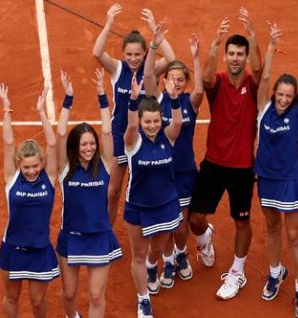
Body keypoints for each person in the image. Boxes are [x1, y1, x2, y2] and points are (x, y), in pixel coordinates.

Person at [188, 7, 262, 300]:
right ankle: (206, 238)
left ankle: (237, 271)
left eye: (239, 54)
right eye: (230, 53)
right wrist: (215, 45)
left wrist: (254, 38)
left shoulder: (253, 86)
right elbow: (205, 78)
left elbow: (259, 70)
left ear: (244, 57)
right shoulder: (217, 82)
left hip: (243, 167)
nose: (234, 58)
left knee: (242, 222)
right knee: (194, 220)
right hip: (214, 163)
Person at [255, 23, 298, 318]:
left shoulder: (297, 113)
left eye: (288, 95)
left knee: (294, 236)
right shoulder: (263, 108)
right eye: (280, 95)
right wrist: (270, 45)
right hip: (266, 179)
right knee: (271, 228)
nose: (283, 99)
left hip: (288, 182)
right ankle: (275, 271)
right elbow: (265, 76)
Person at [92, 4, 175, 226]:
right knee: (112, 192)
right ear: (123, 54)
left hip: (147, 137)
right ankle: (107, 233)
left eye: (138, 54)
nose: (134, 58)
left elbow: (171, 58)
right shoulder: (117, 69)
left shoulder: (151, 70)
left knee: (146, 186)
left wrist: (155, 33)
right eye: (129, 54)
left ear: (145, 53)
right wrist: (109, 24)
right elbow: (97, 53)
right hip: (122, 136)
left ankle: (149, 228)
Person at [123, 24, 183, 318]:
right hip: (138, 206)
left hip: (166, 204)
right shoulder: (132, 140)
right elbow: (132, 123)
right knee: (138, 253)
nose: (151, 125)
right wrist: (134, 101)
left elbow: (178, 122)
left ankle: (153, 266)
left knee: (157, 250)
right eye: (148, 122)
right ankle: (142, 298)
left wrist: (172, 99)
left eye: (154, 121)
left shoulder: (167, 136)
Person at [55, 69, 122, 318]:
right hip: (71, 236)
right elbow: (61, 134)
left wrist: (102, 94)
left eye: (91, 143)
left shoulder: (104, 164)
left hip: (99, 237)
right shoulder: (64, 169)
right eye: (83, 144)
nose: (89, 147)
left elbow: (107, 130)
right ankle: (71, 316)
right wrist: (68, 99)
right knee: (70, 293)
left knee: (96, 295)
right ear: (75, 146)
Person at [145, 34, 204, 293]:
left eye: (181, 79)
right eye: (172, 78)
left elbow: (201, 89)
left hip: (185, 173)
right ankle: (168, 262)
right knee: (167, 225)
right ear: (164, 80)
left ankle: (182, 253)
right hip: (161, 174)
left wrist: (195, 57)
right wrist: (154, 46)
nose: (176, 83)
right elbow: (147, 76)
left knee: (181, 227)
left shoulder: (191, 101)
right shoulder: (157, 101)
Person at [0, 83, 59, 318]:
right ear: (18, 165)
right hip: (12, 248)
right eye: (26, 167)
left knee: (37, 300)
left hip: (39, 250)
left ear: (41, 163)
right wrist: (7, 109)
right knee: (12, 297)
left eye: (35, 166)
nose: (32, 171)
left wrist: (41, 113)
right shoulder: (12, 179)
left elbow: (52, 144)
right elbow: (8, 143)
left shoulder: (49, 179)